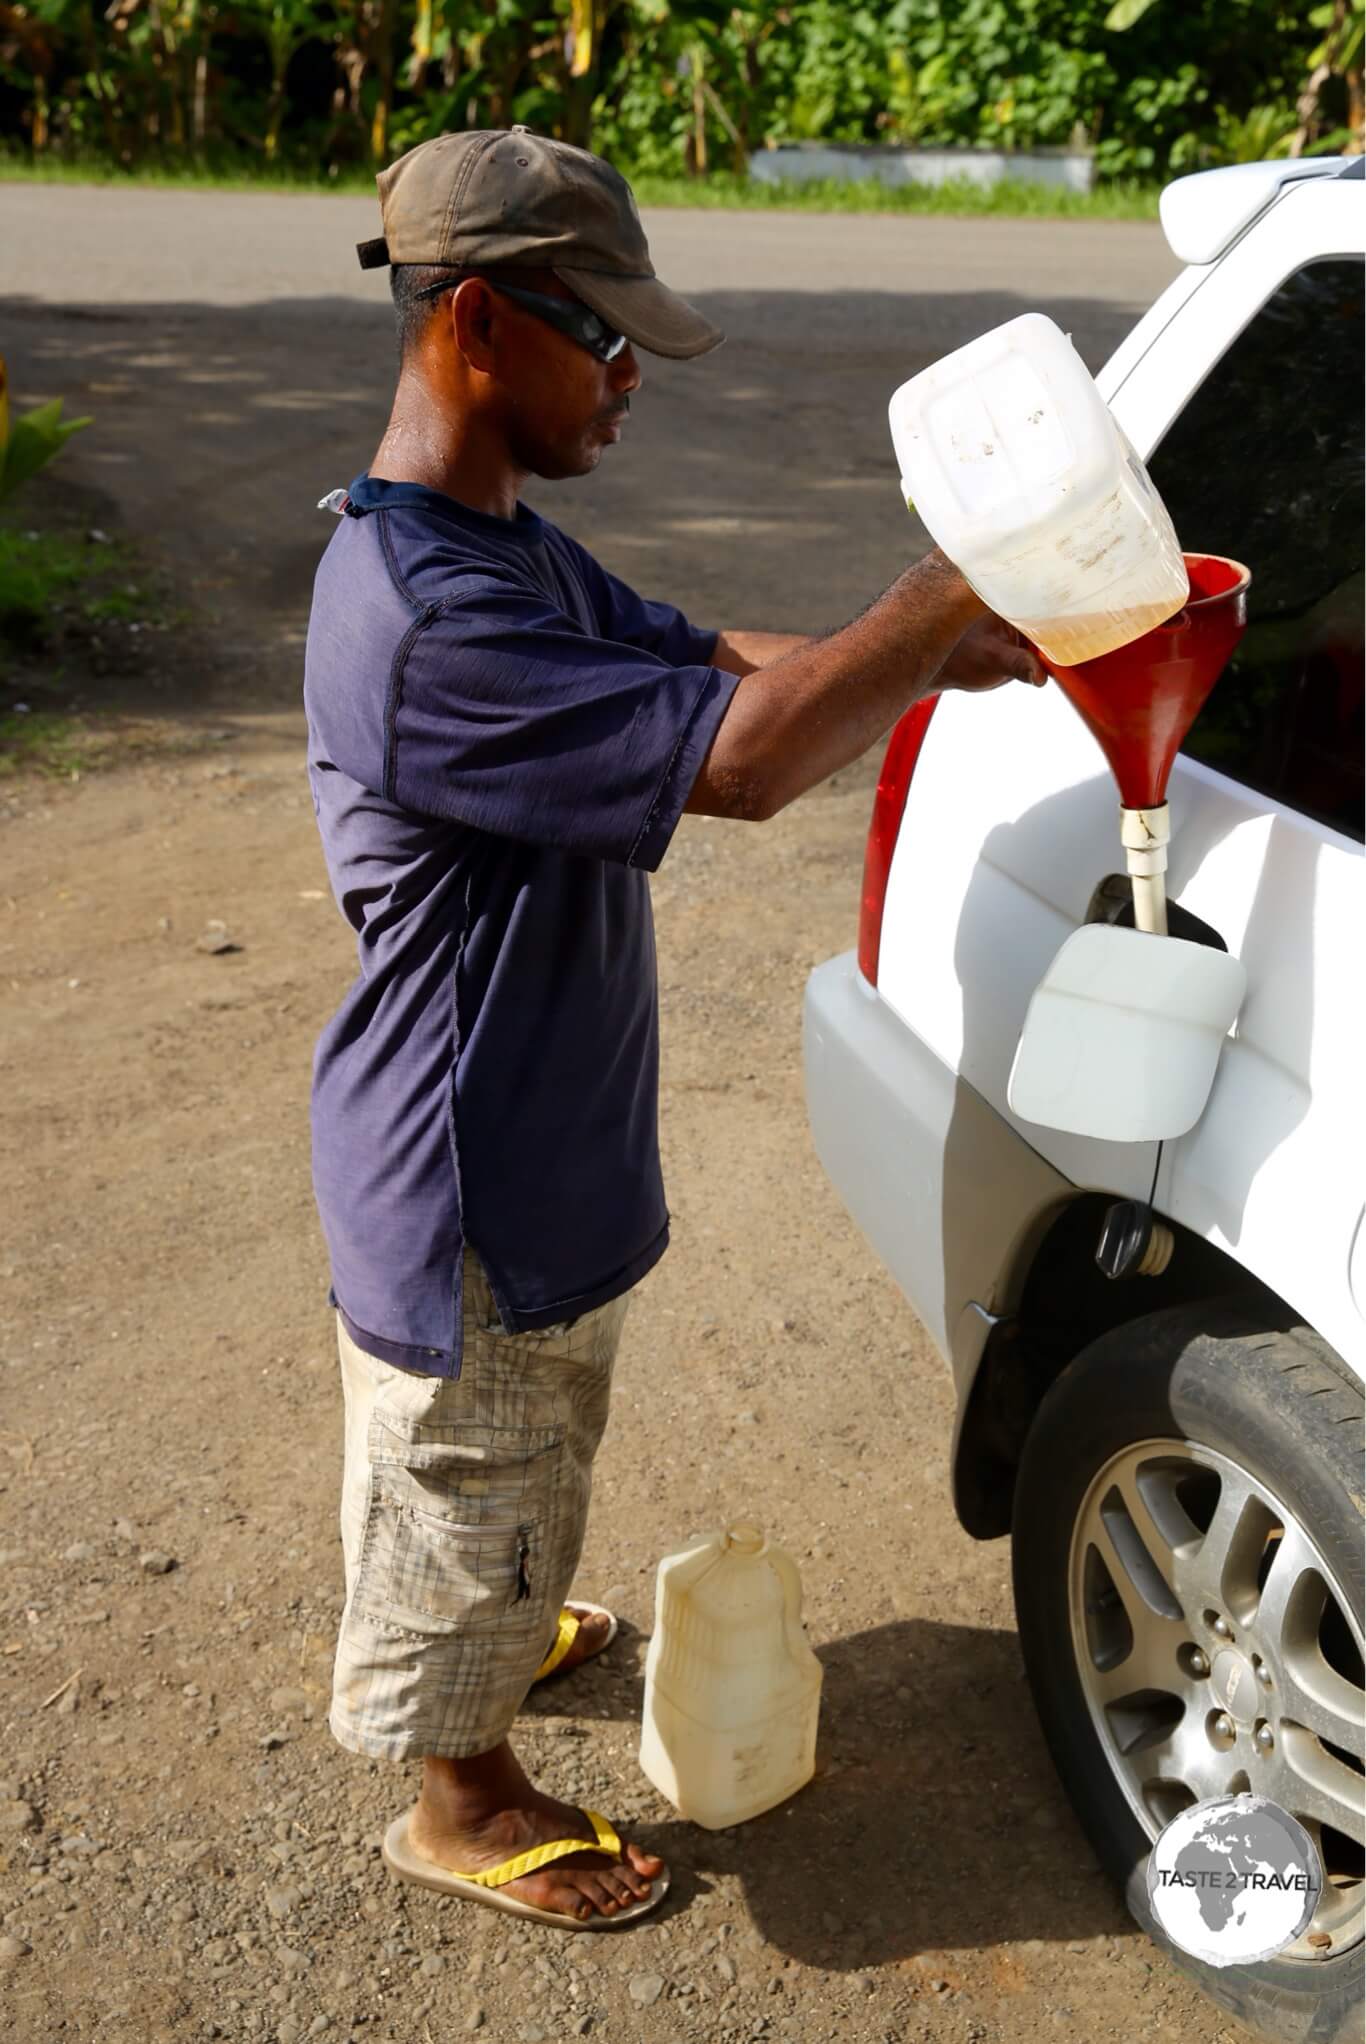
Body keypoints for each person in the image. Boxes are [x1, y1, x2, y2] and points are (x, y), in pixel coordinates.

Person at [303, 124, 1043, 1932]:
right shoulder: (423, 621)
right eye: (604, 337)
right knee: (467, 1452)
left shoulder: (494, 549)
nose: (632, 378)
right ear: (476, 322)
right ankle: (458, 1790)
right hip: (468, 1165)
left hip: (538, 1128)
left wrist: (934, 659)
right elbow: (743, 760)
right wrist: (929, 597)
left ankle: (497, 1619)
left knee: (525, 1442)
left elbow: (708, 660)